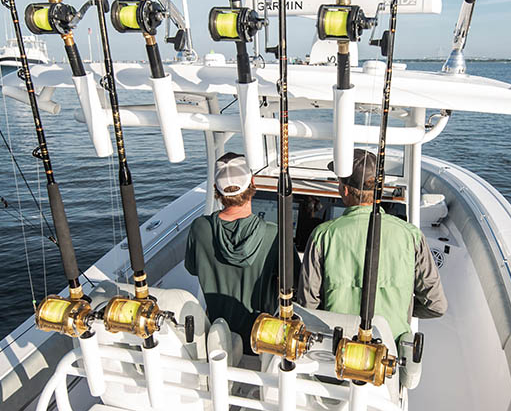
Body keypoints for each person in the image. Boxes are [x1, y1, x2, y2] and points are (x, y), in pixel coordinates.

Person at [297, 149, 447, 342]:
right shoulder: (412, 236)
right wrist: (402, 310)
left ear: (343, 190)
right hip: (389, 355)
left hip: (335, 351)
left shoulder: (322, 235)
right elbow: (436, 305)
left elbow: (306, 306)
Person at [185, 152, 291, 352]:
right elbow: (292, 284)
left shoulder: (199, 228)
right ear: (252, 182)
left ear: (216, 189)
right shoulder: (275, 234)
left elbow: (192, 268)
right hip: (260, 340)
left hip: (217, 338)